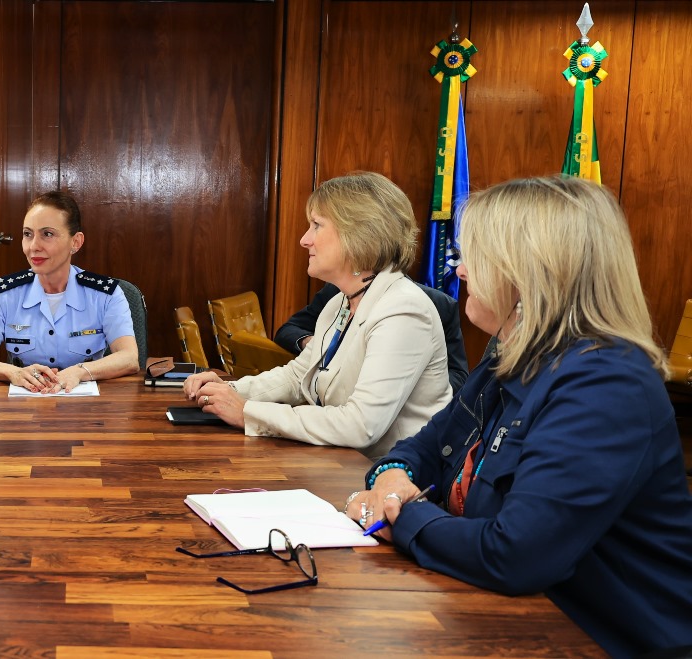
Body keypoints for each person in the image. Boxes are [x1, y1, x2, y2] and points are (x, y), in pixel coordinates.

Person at [346, 177, 692, 656]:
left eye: (476, 256)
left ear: (529, 273)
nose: (460, 269)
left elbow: (516, 554)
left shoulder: (607, 385)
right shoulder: (509, 355)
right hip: (506, 619)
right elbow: (424, 448)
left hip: (605, 639)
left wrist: (400, 515)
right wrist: (389, 478)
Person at [184, 172, 451, 459]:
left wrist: (247, 413)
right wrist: (228, 390)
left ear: (358, 233)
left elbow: (361, 425)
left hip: (393, 475)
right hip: (343, 466)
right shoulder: (340, 302)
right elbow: (297, 377)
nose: (304, 240)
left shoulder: (403, 310)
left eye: (316, 225)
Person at [0, 191, 138, 392]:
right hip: (26, 403)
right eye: (28, 234)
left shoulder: (105, 294)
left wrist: (80, 372)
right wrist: (13, 373)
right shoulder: (6, 294)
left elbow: (129, 358)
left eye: (47, 234)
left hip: (86, 405)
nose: (34, 246)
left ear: (76, 242)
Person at [275, 282, 470, 394]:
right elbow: (287, 331)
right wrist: (315, 345)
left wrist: (404, 382)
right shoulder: (339, 293)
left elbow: (458, 376)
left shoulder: (438, 304)